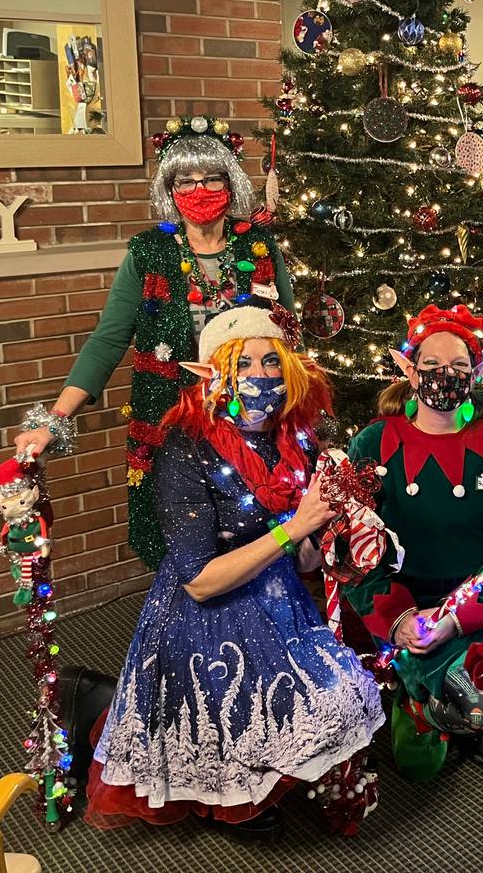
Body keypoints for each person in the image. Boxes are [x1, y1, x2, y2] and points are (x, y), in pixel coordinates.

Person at [85, 303, 384, 839]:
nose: (262, 375)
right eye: (243, 363)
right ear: (213, 374)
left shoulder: (292, 440)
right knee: (245, 712)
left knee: (337, 697)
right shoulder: (187, 447)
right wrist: (294, 530)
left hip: (279, 597)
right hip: (209, 614)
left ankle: (256, 778)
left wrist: (336, 533)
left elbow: (309, 554)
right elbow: (198, 582)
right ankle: (217, 796)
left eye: (272, 361)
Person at [11, 116, 292, 568]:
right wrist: (55, 419)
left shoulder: (258, 246)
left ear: (230, 181)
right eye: (186, 180)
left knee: (255, 540)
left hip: (251, 421)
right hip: (170, 425)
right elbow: (107, 341)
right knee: (184, 549)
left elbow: (286, 337)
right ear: (170, 187)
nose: (199, 190)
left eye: (212, 178)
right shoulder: (149, 253)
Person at [344, 305, 483, 780]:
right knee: (420, 768)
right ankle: (417, 705)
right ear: (408, 369)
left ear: (476, 373)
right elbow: (354, 550)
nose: (445, 377)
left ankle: (460, 703)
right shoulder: (373, 445)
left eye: (458, 367)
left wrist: (460, 617)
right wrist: (400, 620)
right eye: (432, 366)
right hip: (412, 608)